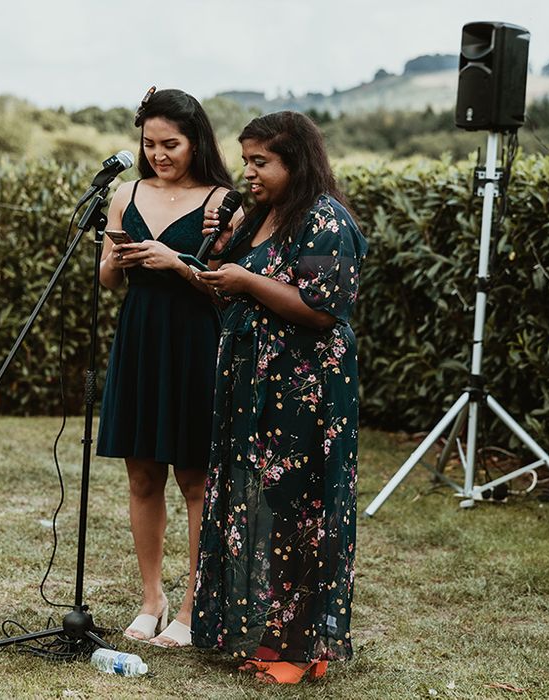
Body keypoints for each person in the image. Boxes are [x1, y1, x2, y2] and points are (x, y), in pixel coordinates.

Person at [192, 111, 368, 683]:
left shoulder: (324, 220)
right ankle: (269, 638)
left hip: (307, 390)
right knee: (260, 507)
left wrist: (247, 282)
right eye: (245, 161)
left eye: (260, 162)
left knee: (300, 509)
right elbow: (229, 292)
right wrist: (217, 250)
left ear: (296, 161)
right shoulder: (261, 217)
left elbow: (321, 308)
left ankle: (301, 650)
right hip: (255, 389)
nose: (249, 173)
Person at [96, 87, 240, 648]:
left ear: (196, 140)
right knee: (142, 475)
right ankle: (151, 598)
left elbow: (229, 291)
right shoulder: (126, 193)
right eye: (150, 144)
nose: (158, 154)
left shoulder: (223, 200)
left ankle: (191, 605)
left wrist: (177, 264)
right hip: (140, 337)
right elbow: (108, 283)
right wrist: (113, 259)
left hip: (196, 341)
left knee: (196, 479)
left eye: (171, 144)